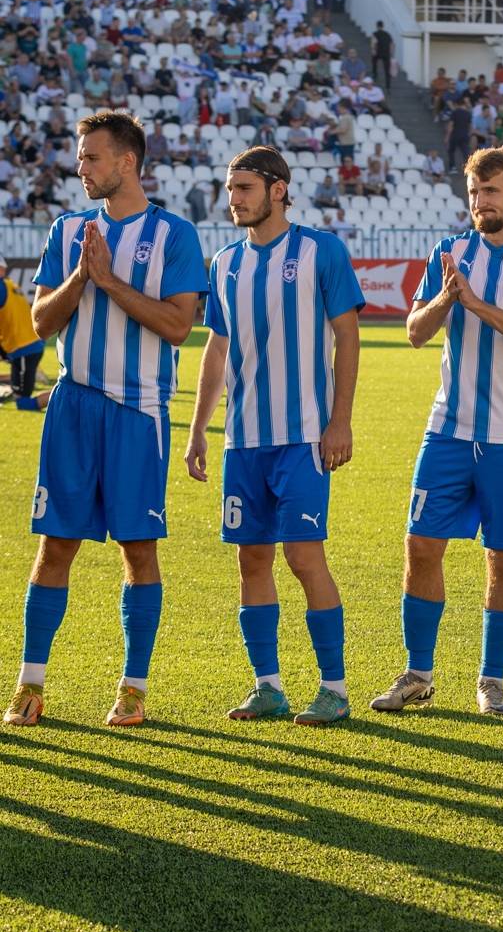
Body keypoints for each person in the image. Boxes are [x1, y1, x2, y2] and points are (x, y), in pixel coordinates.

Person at [4, 113, 206, 728]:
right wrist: (80, 277)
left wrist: (111, 282)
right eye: (80, 157)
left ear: (127, 163)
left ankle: (133, 689)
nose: (81, 168)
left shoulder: (173, 234)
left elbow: (178, 325)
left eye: (91, 158)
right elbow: (40, 323)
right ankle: (30, 686)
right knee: (54, 543)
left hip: (138, 411)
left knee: (138, 549)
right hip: (72, 405)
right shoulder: (69, 230)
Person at [369, 147, 503, 717]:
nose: (480, 202)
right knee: (420, 545)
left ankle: (491, 679)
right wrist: (445, 298)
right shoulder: (449, 252)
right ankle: (417, 672)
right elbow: (414, 331)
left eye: (491, 192)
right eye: (474, 192)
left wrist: (478, 305)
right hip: (449, 429)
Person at [183, 147, 365, 725]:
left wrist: (341, 420)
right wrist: (198, 431)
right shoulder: (224, 263)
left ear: (278, 190)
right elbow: (217, 350)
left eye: (244, 188)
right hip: (244, 441)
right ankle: (268, 686)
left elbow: (348, 338)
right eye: (231, 189)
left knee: (304, 557)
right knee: (251, 561)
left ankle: (333, 688)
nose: (234, 199)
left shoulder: (320, 251)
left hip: (304, 437)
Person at [0, 257, 46, 410]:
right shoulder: (10, 284)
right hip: (28, 345)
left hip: (24, 349)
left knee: (23, 404)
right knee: (18, 395)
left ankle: (65, 393)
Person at [371, 20, 393, 89]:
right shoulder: (387, 34)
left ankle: (375, 74)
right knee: (387, 70)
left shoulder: (375, 33)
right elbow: (391, 44)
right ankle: (388, 86)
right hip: (386, 53)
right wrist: (391, 53)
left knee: (374, 60)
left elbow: (373, 42)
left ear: (377, 26)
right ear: (383, 26)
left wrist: (373, 50)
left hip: (378, 52)